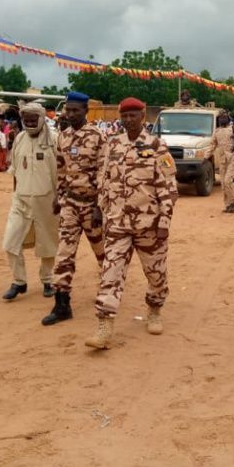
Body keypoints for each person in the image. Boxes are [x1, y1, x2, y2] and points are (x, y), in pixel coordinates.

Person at [85, 97, 178, 350]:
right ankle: (104, 326)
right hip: (117, 223)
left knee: (156, 274)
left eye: (133, 115)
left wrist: (164, 222)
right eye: (124, 116)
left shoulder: (157, 146)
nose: (128, 120)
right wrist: (99, 208)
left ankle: (154, 309)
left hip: (149, 223)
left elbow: (169, 188)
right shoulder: (113, 144)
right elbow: (104, 180)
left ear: (143, 116)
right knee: (110, 272)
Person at [42, 91, 107, 326]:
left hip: (92, 205)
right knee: (64, 254)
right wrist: (58, 197)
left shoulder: (98, 136)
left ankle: (108, 288)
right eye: (67, 110)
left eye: (74, 110)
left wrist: (100, 206)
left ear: (85, 112)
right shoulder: (63, 136)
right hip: (70, 204)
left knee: (103, 253)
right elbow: (61, 169)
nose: (69, 114)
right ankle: (62, 304)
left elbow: (104, 172)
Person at [1, 103, 60, 301]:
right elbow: (15, 170)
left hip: (48, 201)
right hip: (21, 199)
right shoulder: (19, 138)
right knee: (11, 241)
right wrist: (15, 192)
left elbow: (62, 173)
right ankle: (19, 282)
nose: (30, 123)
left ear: (42, 119)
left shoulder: (55, 140)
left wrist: (59, 198)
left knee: (48, 244)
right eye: (26, 120)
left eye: (33, 120)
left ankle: (48, 280)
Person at [204, 109, 234, 213]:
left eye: (224, 117)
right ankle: (228, 205)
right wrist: (205, 157)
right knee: (223, 183)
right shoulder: (217, 132)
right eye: (221, 118)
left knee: (228, 181)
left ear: (228, 119)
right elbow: (212, 145)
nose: (222, 119)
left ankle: (232, 203)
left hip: (233, 158)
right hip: (223, 160)